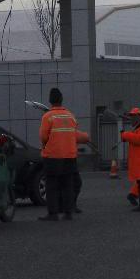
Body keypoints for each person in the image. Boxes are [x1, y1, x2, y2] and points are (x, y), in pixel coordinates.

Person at [38, 87, 89, 221]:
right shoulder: (70, 116)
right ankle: (68, 212)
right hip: (70, 156)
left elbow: (43, 136)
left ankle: (53, 213)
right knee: (68, 184)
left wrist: (46, 145)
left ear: (50, 100)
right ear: (61, 100)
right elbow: (74, 134)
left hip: (53, 156)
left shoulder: (47, 116)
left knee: (51, 185)